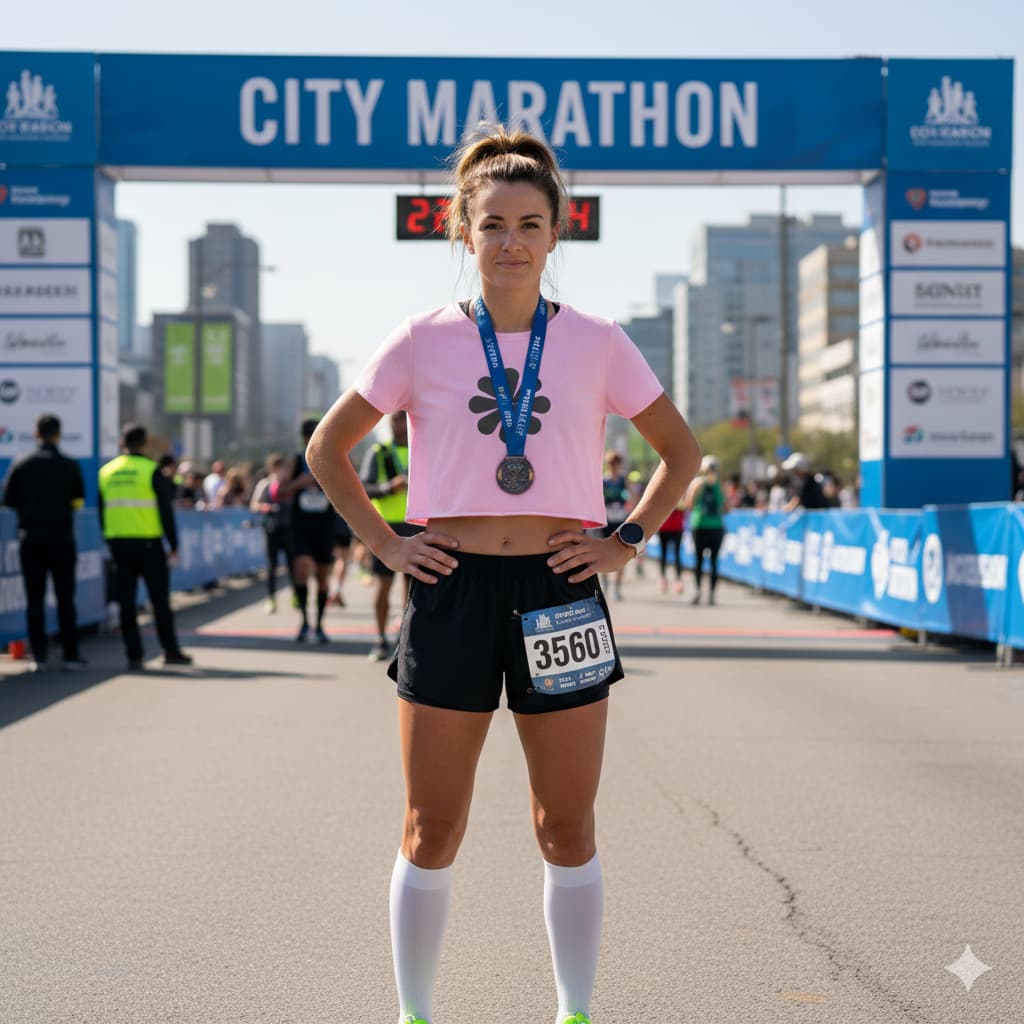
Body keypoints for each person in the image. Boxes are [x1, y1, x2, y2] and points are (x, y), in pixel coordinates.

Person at [305, 124, 700, 1024]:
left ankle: (574, 1010)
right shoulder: (421, 340)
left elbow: (681, 453)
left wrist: (626, 537)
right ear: (462, 231)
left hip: (562, 593)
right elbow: (329, 449)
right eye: (493, 225)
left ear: (557, 233)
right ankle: (414, 1013)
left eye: (530, 223)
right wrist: (390, 543)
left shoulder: (600, 341)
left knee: (566, 826)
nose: (512, 241)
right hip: (451, 591)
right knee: (430, 827)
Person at [98, 423, 193, 670]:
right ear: (144, 443)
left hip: (118, 545)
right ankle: (170, 651)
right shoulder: (151, 470)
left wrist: (108, 538)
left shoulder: (106, 471)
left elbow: (101, 510)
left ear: (122, 442)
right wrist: (173, 544)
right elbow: (165, 511)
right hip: (149, 545)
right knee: (160, 601)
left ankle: (134, 656)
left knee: (127, 603)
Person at [1, 413, 87, 672]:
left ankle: (39, 656)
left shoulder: (22, 463)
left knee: (34, 599)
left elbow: (8, 500)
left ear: (36, 433)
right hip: (62, 540)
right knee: (65, 598)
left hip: (31, 540)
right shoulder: (69, 465)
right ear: (58, 434)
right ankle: (70, 654)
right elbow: (78, 502)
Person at [360, 411, 421, 661]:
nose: (400, 424)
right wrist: (389, 487)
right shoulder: (379, 451)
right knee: (382, 586)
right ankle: (380, 638)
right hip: (386, 528)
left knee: (413, 591)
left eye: (403, 419)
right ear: (389, 422)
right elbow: (364, 487)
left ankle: (406, 638)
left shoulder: (423, 448)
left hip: (417, 526)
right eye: (396, 419)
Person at [277, 418, 336, 643]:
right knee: (301, 570)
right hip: (300, 525)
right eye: (307, 434)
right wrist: (300, 483)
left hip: (324, 526)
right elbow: (279, 492)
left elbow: (351, 490)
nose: (311, 438)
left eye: (315, 433)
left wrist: (327, 483)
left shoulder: (333, 458)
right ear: (302, 438)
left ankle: (319, 625)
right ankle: (304, 621)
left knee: (322, 577)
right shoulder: (295, 461)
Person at [250, 453, 294, 614]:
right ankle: (271, 598)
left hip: (288, 529)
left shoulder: (290, 484)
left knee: (292, 565)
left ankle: (296, 595)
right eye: (279, 467)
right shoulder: (265, 484)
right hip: (271, 529)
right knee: (272, 566)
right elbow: (254, 505)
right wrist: (266, 507)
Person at [685, 454, 726, 606]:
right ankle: (703, 592)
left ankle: (706, 593)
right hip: (705, 526)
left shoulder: (715, 486)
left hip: (708, 526)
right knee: (705, 560)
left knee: (706, 561)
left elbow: (689, 504)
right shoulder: (703, 484)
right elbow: (689, 503)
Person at [599, 450, 631, 600]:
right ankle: (605, 585)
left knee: (621, 552)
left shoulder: (624, 479)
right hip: (605, 521)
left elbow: (633, 496)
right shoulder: (603, 480)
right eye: (612, 464)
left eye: (616, 464)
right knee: (603, 553)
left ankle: (618, 587)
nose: (614, 467)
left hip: (620, 519)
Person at [656, 500, 685, 595]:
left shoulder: (681, 490)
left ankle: (678, 580)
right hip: (664, 527)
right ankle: (663, 578)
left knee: (677, 554)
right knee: (663, 553)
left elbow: (684, 506)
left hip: (677, 527)